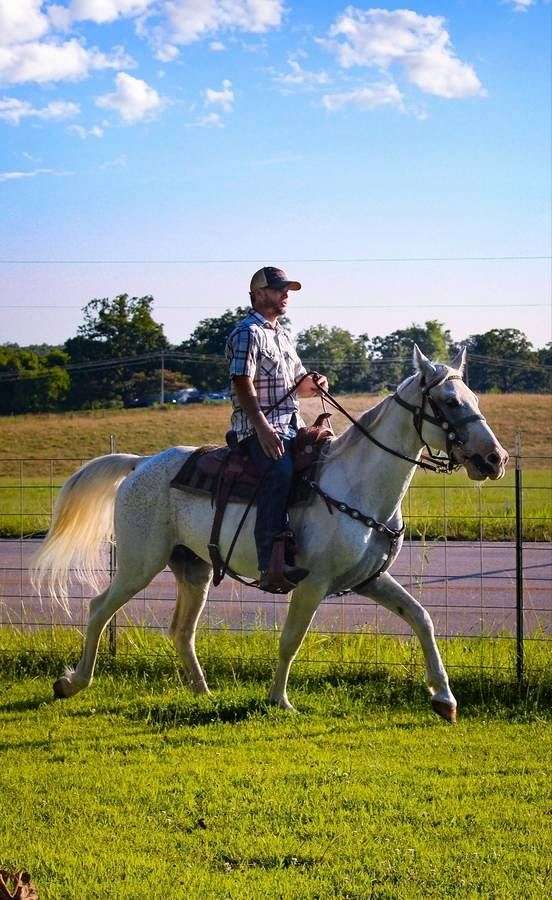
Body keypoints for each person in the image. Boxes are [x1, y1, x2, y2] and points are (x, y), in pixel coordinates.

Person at [226, 266, 329, 592]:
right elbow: (242, 383)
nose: (286, 295)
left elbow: (298, 384)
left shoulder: (282, 335)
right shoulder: (246, 333)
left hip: (291, 425)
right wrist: (262, 430)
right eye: (278, 289)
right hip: (259, 429)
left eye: (288, 290)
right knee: (280, 471)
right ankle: (270, 563)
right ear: (258, 294)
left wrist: (314, 384)